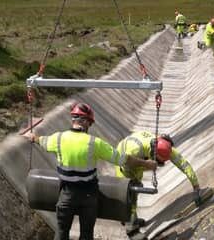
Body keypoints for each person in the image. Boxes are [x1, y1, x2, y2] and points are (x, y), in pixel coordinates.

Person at [23, 102, 157, 240]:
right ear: (85, 121)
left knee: (62, 232)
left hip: (66, 196)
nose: (90, 126)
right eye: (90, 123)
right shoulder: (95, 143)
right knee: (86, 235)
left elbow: (40, 140)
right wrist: (146, 163)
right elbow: (123, 159)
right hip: (89, 197)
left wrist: (31, 136)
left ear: (73, 119)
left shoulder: (58, 138)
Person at [115, 132, 200, 237]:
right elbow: (126, 162)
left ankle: (132, 218)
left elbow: (183, 164)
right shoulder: (136, 150)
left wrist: (196, 185)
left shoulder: (164, 147)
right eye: (158, 161)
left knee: (135, 191)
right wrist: (146, 164)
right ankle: (132, 231)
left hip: (139, 159)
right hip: (123, 161)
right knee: (129, 194)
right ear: (152, 154)